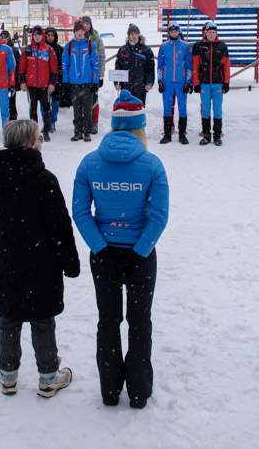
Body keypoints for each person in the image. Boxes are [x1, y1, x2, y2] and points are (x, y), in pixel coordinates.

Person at [72, 91, 169, 409]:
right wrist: (140, 250)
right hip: (141, 255)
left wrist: (100, 247)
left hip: (104, 255)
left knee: (108, 321)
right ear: (140, 126)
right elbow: (159, 216)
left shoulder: (89, 162)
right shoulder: (152, 164)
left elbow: (81, 212)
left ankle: (109, 390)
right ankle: (139, 391)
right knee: (140, 321)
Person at [0, 119, 80, 397]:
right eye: (39, 138)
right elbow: (59, 226)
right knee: (42, 319)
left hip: (4, 262)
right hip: (40, 263)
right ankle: (48, 377)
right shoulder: (44, 179)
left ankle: (8, 375)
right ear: (28, 143)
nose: (42, 142)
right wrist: (70, 263)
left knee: (8, 317)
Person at [191, 21, 230, 146]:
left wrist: (226, 82)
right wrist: (195, 83)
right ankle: (206, 135)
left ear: (216, 33)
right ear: (205, 33)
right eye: (209, 32)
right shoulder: (198, 46)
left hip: (218, 83)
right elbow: (195, 66)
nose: (211, 35)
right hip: (204, 83)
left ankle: (217, 135)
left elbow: (226, 66)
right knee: (206, 110)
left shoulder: (222, 46)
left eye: (214, 32)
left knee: (217, 110)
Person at [61, 20, 100, 142]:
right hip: (74, 83)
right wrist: (66, 81)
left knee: (87, 108)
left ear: (85, 31)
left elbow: (95, 65)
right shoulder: (69, 46)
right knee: (76, 108)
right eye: (77, 31)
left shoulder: (90, 45)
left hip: (87, 83)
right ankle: (77, 131)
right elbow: (65, 65)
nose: (80, 33)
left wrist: (95, 82)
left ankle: (87, 131)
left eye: (82, 30)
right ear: (74, 32)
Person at [19, 25, 59, 141]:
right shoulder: (27, 50)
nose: (37, 37)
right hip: (31, 85)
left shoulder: (49, 50)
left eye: (39, 35)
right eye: (35, 35)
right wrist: (22, 82)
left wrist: (52, 83)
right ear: (33, 36)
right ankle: (34, 132)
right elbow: (22, 68)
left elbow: (54, 69)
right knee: (32, 109)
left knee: (46, 108)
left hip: (44, 85)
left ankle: (46, 131)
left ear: (43, 36)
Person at [157, 23, 192, 144]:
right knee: (167, 108)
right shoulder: (163, 46)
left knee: (182, 108)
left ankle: (182, 134)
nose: (173, 33)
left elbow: (189, 66)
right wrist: (160, 81)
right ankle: (167, 134)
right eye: (171, 31)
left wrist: (188, 82)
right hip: (167, 82)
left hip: (181, 82)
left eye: (176, 31)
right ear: (169, 33)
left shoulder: (185, 46)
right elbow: (160, 66)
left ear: (179, 32)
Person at [79, 15, 107, 133]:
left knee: (93, 99)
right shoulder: (77, 38)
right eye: (83, 24)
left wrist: (100, 76)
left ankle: (94, 123)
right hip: (80, 75)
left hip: (93, 75)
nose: (85, 26)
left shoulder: (97, 39)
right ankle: (82, 122)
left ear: (91, 25)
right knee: (80, 100)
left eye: (87, 24)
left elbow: (101, 57)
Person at [41, 27, 65, 133]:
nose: (50, 38)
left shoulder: (59, 49)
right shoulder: (41, 48)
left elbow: (63, 63)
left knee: (55, 102)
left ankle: (53, 122)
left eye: (52, 35)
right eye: (48, 35)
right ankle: (45, 122)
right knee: (44, 102)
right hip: (43, 78)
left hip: (56, 79)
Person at [0, 30, 21, 122]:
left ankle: (13, 119)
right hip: (2, 79)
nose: (4, 40)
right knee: (4, 103)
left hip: (12, 79)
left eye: (6, 38)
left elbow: (18, 65)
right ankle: (7, 121)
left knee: (12, 102)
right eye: (2, 38)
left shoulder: (13, 50)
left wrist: (17, 81)